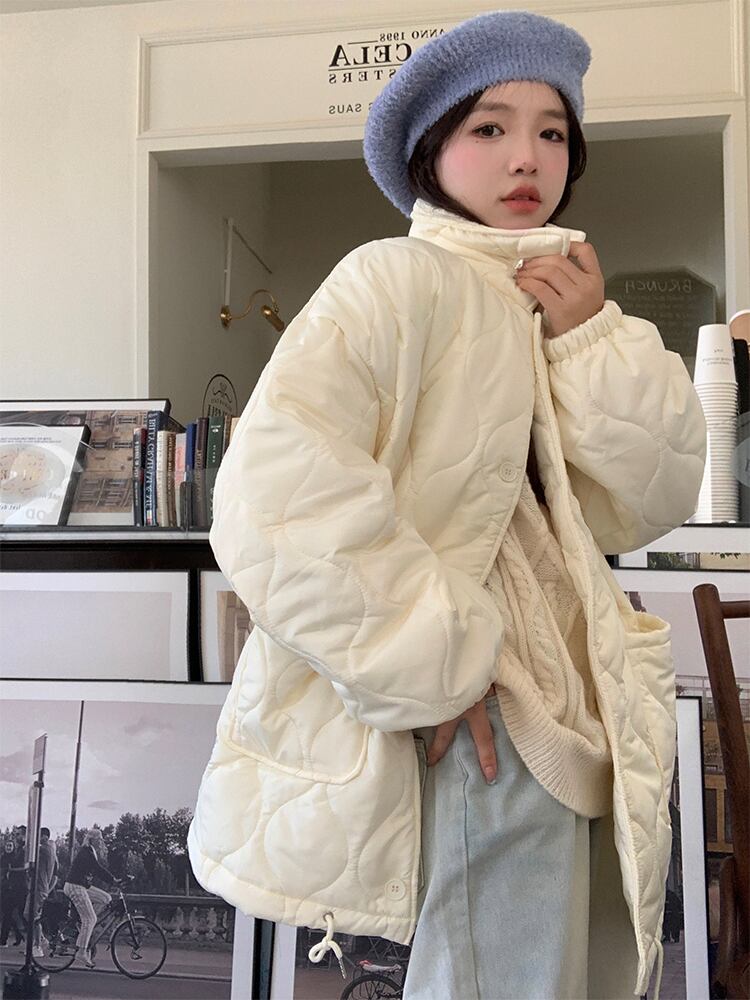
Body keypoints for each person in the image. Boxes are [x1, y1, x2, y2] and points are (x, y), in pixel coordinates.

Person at [187, 10, 707, 1000]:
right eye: (489, 127)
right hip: (482, 712)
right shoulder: (394, 279)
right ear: (432, 152)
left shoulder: (554, 305)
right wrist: (439, 663)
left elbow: (652, 498)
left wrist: (589, 338)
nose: (528, 156)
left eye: (553, 132)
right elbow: (274, 497)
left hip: (572, 706)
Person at [63, 830, 116, 968]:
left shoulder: (90, 851)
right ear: (92, 840)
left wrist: (113, 880)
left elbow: (96, 869)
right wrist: (113, 880)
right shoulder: (86, 852)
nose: (101, 841)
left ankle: (84, 924)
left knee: (106, 898)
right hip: (75, 886)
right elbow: (97, 869)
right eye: (99, 839)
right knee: (90, 919)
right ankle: (81, 952)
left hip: (81, 886)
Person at [24, 827, 57, 958]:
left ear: (45, 837)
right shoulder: (49, 850)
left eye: (39, 835)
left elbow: (29, 850)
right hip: (38, 887)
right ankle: (41, 939)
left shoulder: (44, 849)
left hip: (39, 888)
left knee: (33, 917)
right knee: (29, 915)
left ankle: (38, 946)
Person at [0, 837, 25, 947]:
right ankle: (17, 935)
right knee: (8, 914)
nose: (8, 847)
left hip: (14, 889)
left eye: (10, 845)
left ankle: (4, 939)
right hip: (5, 888)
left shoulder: (16, 858)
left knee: (10, 914)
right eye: (7, 845)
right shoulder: (3, 857)